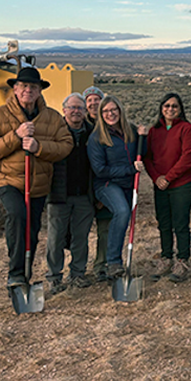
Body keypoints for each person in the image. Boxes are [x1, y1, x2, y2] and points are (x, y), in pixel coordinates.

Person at [0, 66, 74, 290]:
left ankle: (27, 275)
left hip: (38, 183)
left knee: (31, 229)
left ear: (40, 90)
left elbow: (65, 145)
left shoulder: (51, 117)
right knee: (18, 215)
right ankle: (16, 274)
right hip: (7, 179)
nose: (27, 90)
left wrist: (39, 147)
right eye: (23, 86)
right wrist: (15, 136)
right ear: (15, 89)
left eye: (33, 86)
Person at [139, 93, 191, 282]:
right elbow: (147, 157)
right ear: (161, 108)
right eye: (167, 106)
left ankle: (182, 260)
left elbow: (188, 157)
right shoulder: (154, 131)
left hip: (182, 184)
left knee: (180, 223)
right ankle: (166, 258)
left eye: (174, 106)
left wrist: (169, 177)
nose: (170, 109)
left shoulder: (186, 128)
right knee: (163, 223)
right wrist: (157, 178)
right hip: (160, 185)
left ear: (180, 109)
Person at [45, 92, 96, 294]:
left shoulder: (92, 134)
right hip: (58, 195)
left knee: (80, 237)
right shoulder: (54, 133)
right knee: (55, 238)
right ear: (64, 110)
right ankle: (54, 277)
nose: (76, 111)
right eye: (72, 107)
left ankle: (77, 274)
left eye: (80, 108)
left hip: (85, 195)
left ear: (85, 112)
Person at [87, 96, 140, 279]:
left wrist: (144, 136)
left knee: (125, 218)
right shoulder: (97, 138)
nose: (110, 114)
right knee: (122, 211)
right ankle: (113, 262)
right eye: (106, 111)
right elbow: (100, 170)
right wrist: (130, 169)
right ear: (101, 114)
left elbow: (142, 153)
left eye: (113, 110)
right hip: (107, 184)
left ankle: (113, 261)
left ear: (120, 110)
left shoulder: (131, 132)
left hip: (128, 185)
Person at [82, 85, 113, 283]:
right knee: (80, 232)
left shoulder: (111, 127)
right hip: (82, 188)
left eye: (97, 99)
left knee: (105, 230)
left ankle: (102, 266)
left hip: (105, 186)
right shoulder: (78, 127)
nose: (94, 103)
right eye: (89, 100)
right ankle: (78, 269)